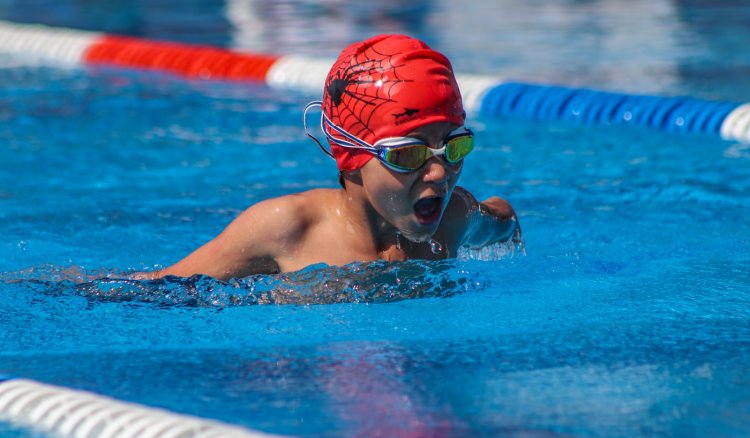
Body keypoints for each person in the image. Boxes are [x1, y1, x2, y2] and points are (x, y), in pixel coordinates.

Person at [137, 34, 520, 281]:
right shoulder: (288, 229)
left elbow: (505, 219)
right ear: (352, 155)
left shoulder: (456, 218)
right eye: (408, 154)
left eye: (454, 147)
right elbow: (162, 289)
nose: (439, 172)